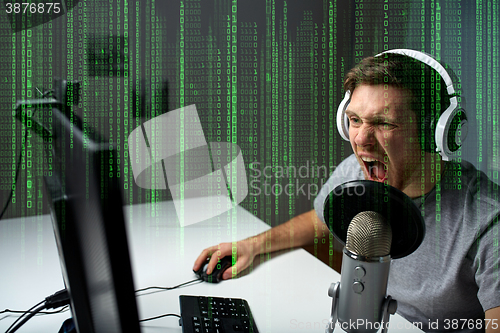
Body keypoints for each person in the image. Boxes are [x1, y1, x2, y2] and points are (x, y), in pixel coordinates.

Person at [193, 50, 500, 332]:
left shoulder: (488, 221)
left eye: (383, 124)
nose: (362, 140)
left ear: (437, 132)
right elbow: (319, 221)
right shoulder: (357, 172)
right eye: (354, 120)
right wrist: (253, 245)